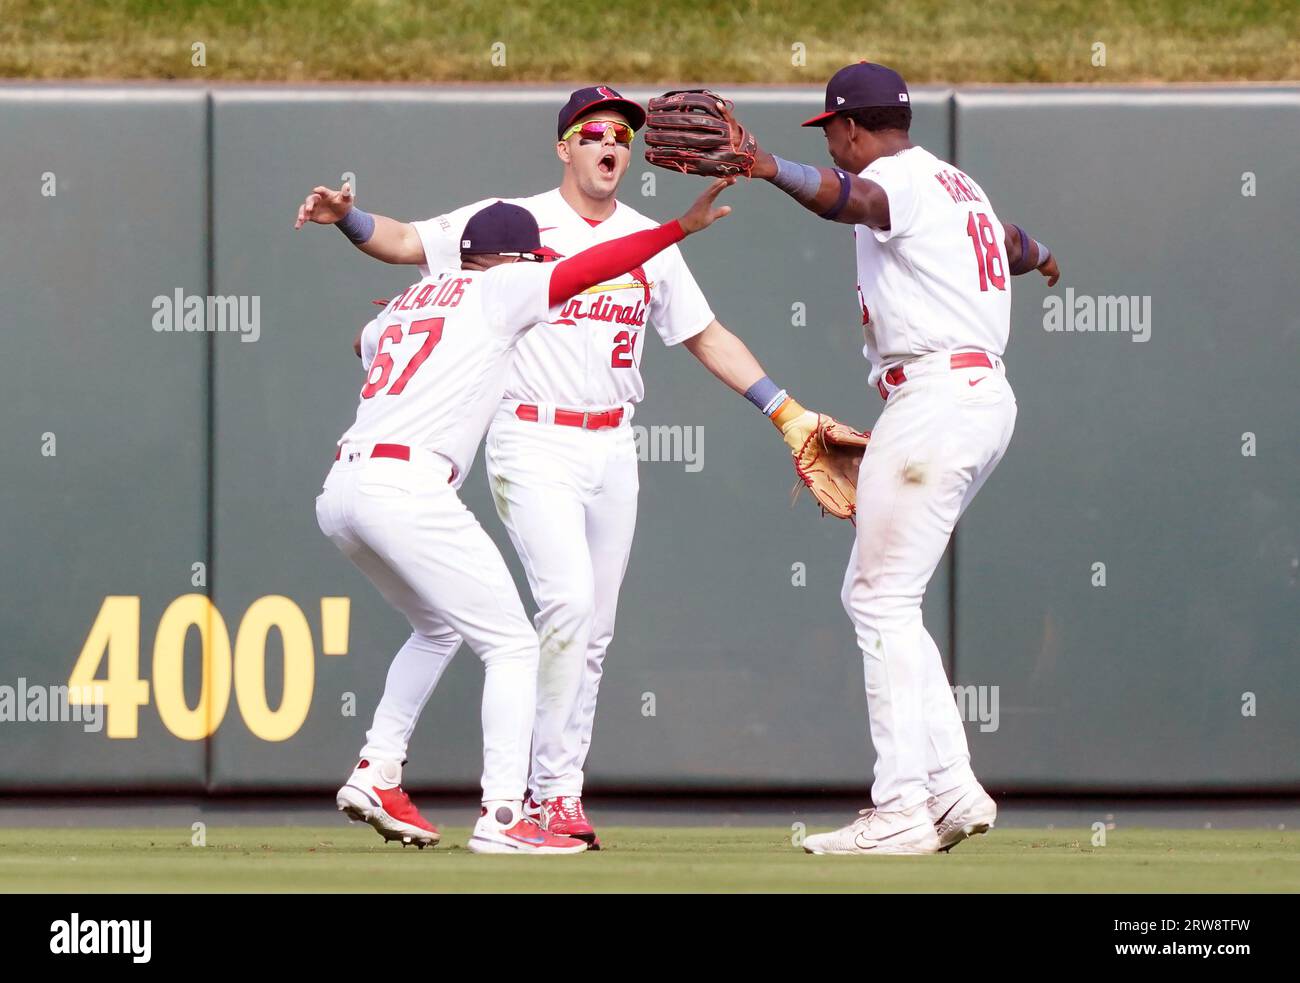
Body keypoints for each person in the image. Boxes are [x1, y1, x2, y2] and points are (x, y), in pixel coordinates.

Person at [298, 87, 823, 849]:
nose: (612, 143)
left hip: (609, 442)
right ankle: (512, 809)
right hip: (529, 437)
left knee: (586, 628)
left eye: (623, 134)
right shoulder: (511, 228)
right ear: (564, 146)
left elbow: (705, 333)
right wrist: (350, 218)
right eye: (594, 131)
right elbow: (409, 240)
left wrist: (786, 410)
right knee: (556, 612)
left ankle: (546, 791)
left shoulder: (626, 245)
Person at [319, 180, 735, 853]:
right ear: (511, 261)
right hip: (409, 485)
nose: (544, 266)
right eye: (533, 257)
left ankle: (377, 768)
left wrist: (435, 309)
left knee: (437, 628)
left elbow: (365, 345)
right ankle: (506, 815)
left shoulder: (408, 301)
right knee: (513, 644)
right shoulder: (500, 288)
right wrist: (677, 229)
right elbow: (588, 268)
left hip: (343, 488)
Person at [725, 62, 1061, 854]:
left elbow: (858, 200)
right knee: (882, 596)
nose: (833, 146)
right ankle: (951, 788)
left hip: (936, 396)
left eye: (832, 132)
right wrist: (1044, 253)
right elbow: (1009, 242)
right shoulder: (958, 185)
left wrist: (771, 167)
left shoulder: (896, 180)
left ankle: (902, 804)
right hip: (977, 401)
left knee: (878, 600)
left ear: (848, 126)